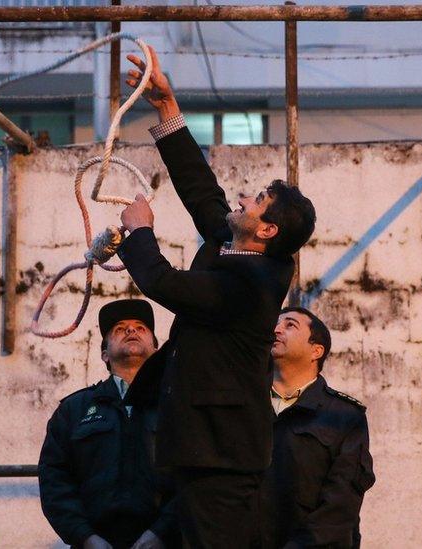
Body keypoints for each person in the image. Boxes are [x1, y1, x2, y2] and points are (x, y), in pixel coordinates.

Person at [117, 47, 317, 548]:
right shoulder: (243, 252)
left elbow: (165, 285)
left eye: (257, 201)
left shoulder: (251, 283)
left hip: (220, 457)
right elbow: (204, 195)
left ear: (266, 228)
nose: (243, 200)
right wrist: (167, 107)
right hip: (203, 450)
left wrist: (138, 232)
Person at [38, 299, 178, 549]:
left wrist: (161, 532)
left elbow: (194, 478)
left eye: (140, 328)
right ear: (104, 353)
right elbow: (54, 482)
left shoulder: (178, 405)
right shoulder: (73, 410)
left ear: (156, 349)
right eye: (120, 329)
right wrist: (86, 538)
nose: (131, 331)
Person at [260, 307, 375, 549]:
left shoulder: (344, 416)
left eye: (290, 325)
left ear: (316, 350)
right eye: (275, 323)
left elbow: (340, 506)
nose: (276, 329)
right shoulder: (247, 404)